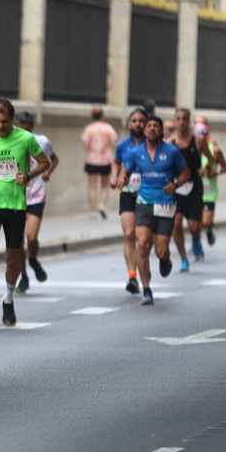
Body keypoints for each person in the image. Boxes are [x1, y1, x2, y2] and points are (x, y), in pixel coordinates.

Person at [0, 99, 48, 324]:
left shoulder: (25, 138)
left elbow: (44, 162)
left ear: (12, 119)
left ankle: (8, 298)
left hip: (15, 204)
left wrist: (29, 176)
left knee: (13, 256)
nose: (0, 126)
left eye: (4, 122)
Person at [117, 114, 191, 305]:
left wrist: (175, 184)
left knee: (160, 251)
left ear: (160, 131)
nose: (151, 128)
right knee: (141, 245)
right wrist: (122, 178)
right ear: (144, 130)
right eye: (148, 126)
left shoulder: (172, 152)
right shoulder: (136, 153)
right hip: (144, 202)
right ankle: (147, 289)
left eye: (155, 126)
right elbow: (126, 170)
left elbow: (186, 172)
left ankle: (165, 260)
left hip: (166, 203)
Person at [14, 109, 58, 288]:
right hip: (15, 195)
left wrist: (47, 172)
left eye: (26, 127)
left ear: (31, 126)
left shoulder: (42, 141)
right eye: (20, 127)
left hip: (36, 195)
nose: (23, 130)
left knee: (31, 237)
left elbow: (54, 159)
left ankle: (32, 258)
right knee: (17, 241)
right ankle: (23, 276)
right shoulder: (10, 142)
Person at [109, 108, 147, 292]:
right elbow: (116, 162)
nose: (138, 124)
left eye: (141, 121)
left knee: (143, 239)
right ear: (129, 123)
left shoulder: (153, 145)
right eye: (134, 120)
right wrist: (114, 177)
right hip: (128, 192)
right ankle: (132, 276)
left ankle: (143, 270)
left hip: (148, 194)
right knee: (129, 234)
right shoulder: (123, 145)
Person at [168, 107, 206, 271]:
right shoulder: (169, 143)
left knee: (193, 226)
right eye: (179, 119)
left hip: (194, 185)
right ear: (175, 120)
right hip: (176, 186)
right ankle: (184, 259)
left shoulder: (198, 140)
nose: (182, 122)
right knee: (176, 223)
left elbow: (211, 160)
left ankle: (196, 239)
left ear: (188, 121)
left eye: (185, 119)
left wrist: (206, 169)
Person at [194, 119, 226, 253]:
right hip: (194, 191)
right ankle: (196, 244)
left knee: (206, 222)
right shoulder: (190, 152)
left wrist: (215, 172)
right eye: (198, 135)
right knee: (195, 224)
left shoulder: (215, 151)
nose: (200, 139)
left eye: (203, 135)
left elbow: (225, 168)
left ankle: (208, 230)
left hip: (209, 192)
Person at [81, 106, 118, 219]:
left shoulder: (89, 129)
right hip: (105, 159)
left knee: (92, 186)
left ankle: (92, 210)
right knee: (105, 185)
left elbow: (85, 144)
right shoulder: (108, 128)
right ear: (102, 115)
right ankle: (102, 205)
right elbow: (113, 143)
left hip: (92, 159)